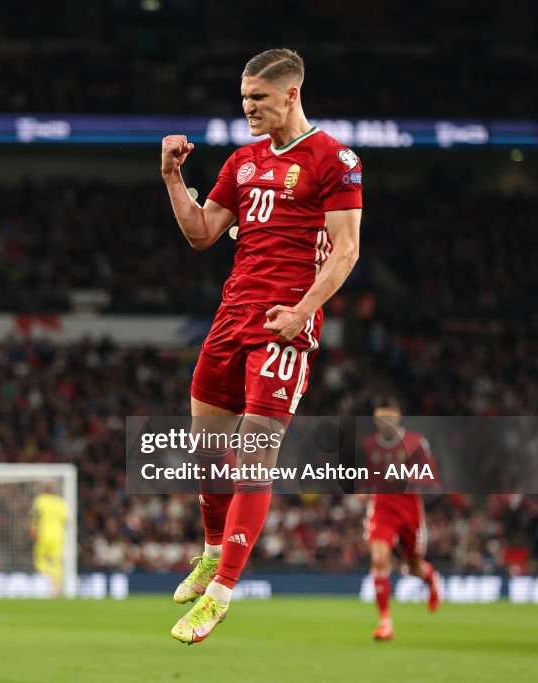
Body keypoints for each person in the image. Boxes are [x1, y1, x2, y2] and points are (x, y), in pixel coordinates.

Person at [161, 48, 363, 644]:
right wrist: (173, 178)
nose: (248, 108)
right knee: (204, 448)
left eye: (259, 99)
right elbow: (201, 233)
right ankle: (211, 550)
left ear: (291, 95)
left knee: (252, 457)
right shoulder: (242, 161)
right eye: (244, 98)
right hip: (231, 315)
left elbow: (347, 250)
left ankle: (221, 592)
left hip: (285, 323)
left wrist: (303, 311)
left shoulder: (335, 159)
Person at [361, 397, 441, 641]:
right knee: (379, 558)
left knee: (414, 566)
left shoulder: (416, 443)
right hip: (382, 508)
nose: (384, 422)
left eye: (388, 416)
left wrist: (404, 474)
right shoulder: (367, 445)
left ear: (399, 417)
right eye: (379, 417)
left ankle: (430, 577)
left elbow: (432, 480)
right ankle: (385, 623)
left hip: (409, 511)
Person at [30, 484, 70, 596]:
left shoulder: (40, 500)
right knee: (56, 561)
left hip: (43, 535)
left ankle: (51, 580)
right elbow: (67, 520)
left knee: (39, 559)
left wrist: (33, 529)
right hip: (58, 536)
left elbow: (34, 517)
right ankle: (57, 585)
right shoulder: (60, 502)